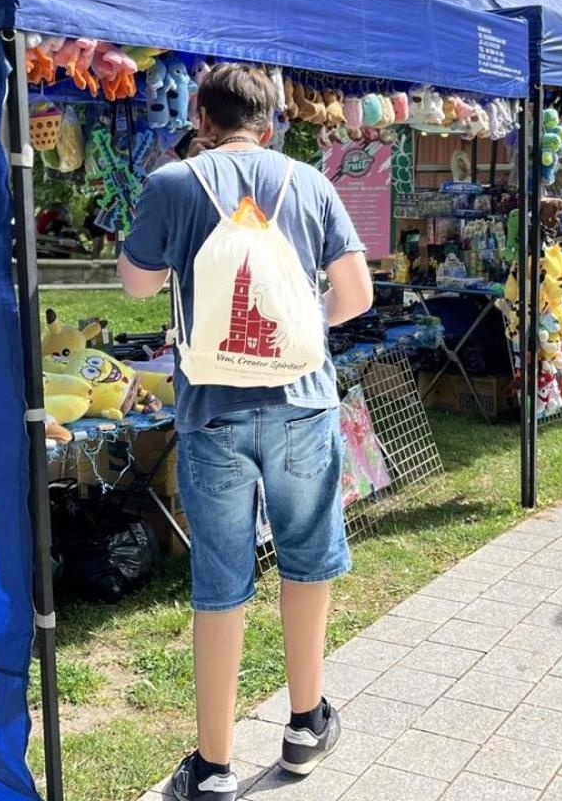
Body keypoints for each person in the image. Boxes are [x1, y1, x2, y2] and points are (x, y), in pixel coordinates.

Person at [118, 64, 374, 801]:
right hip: (301, 402)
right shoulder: (310, 185)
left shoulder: (176, 183)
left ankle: (214, 766)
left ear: (201, 113)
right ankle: (304, 724)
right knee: (306, 562)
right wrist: (298, 329)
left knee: (222, 582)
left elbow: (136, 284)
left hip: (214, 412)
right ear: (271, 122)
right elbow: (354, 295)